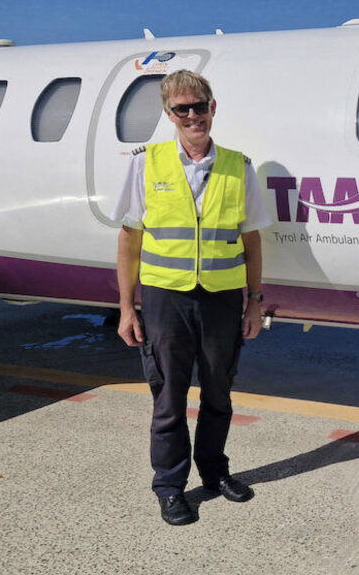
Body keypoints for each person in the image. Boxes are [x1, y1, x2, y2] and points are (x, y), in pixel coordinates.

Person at [114, 69, 271, 526]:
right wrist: (127, 307)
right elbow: (129, 240)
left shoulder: (238, 166)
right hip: (167, 300)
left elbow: (252, 240)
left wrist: (255, 301)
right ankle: (168, 487)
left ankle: (214, 472)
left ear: (212, 108)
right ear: (169, 114)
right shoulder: (147, 162)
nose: (191, 115)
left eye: (198, 106)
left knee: (219, 392)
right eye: (181, 109)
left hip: (222, 298)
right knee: (170, 397)